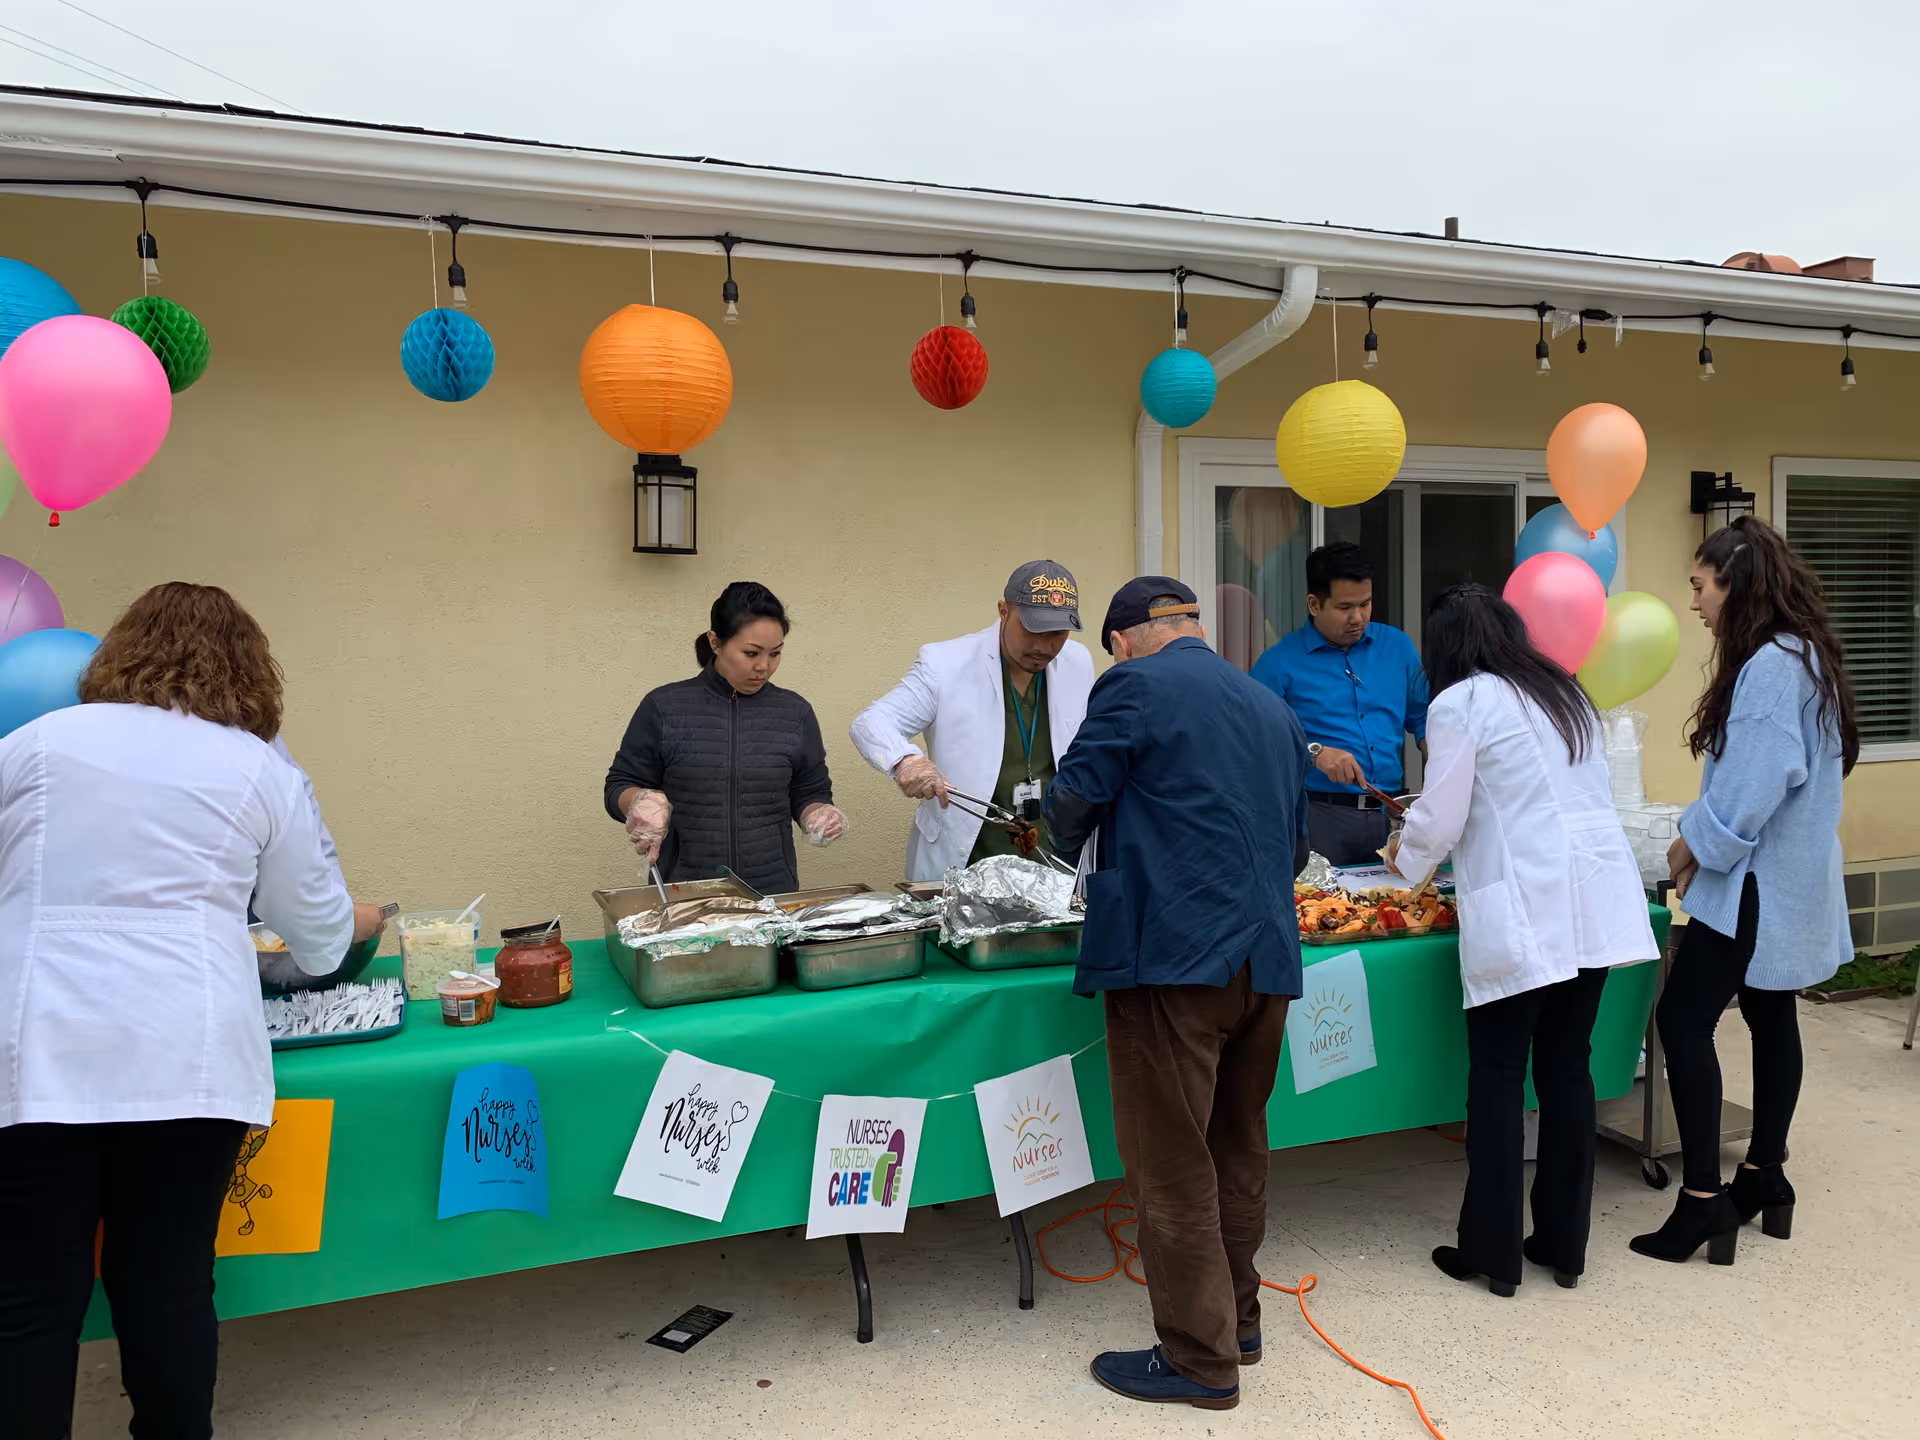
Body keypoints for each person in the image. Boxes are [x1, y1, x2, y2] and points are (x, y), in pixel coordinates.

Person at [0, 582, 382, 1440]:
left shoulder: (30, 746)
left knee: (28, 1298)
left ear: (117, 654)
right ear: (250, 670)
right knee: (166, 1279)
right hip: (188, 1056)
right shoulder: (256, 765)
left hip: (36, 1051)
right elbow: (319, 941)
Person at [1043, 578, 1310, 1412]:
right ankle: (1240, 1319)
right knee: (1238, 1143)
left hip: (1174, 959)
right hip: (1265, 961)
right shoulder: (1270, 704)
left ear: (1124, 639)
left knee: (1171, 1162)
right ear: (1192, 627)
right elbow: (1296, 848)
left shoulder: (1130, 684)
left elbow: (1068, 810)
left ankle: (1199, 1359)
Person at [1383, 584, 1656, 1296]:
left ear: (1443, 649)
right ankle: (1564, 1246)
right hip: (1592, 903)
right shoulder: (1564, 693)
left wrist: (1404, 862)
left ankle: (1492, 1254)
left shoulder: (1462, 702)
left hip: (1528, 904)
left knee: (1499, 1077)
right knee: (1570, 1069)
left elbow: (1440, 817)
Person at [1631, 516, 1856, 1266]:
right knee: (1770, 1013)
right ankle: (1764, 1175)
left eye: (1699, 586)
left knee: (1683, 1019)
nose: (1693, 603)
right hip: (1792, 874)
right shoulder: (1808, 653)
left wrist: (1692, 843)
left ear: (1736, 583)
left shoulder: (1767, 667)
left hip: (1755, 878)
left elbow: (1755, 787)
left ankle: (1702, 1201)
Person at [850, 560, 1096, 881]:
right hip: (968, 858)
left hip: (1051, 858)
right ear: (1003, 611)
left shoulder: (1078, 662)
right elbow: (871, 721)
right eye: (1033, 629)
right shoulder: (945, 664)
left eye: (1058, 633)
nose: (1044, 646)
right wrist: (905, 761)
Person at [605, 581, 845, 896]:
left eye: (775, 653)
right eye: (751, 653)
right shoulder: (664, 707)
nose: (764, 666)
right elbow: (619, 784)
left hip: (771, 892)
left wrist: (818, 814)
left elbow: (809, 789)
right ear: (715, 642)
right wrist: (639, 801)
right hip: (684, 891)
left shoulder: (794, 712)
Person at [1250, 542, 1429, 866]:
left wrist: (1437, 749)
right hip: (1318, 817)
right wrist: (1315, 753)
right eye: (1345, 607)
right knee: (1324, 913)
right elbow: (1257, 743)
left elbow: (1422, 717)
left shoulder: (1397, 646)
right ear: (1314, 604)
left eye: (1366, 603)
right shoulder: (1276, 664)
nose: (1358, 617)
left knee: (1398, 912)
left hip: (1391, 816)